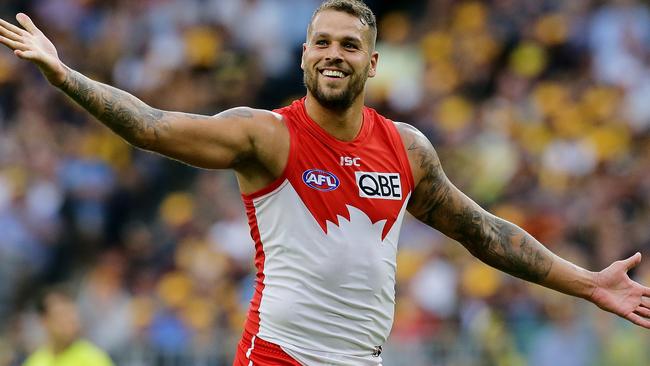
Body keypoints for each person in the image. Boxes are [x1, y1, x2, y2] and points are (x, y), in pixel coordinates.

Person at [1, 0, 649, 364]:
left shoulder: (407, 148)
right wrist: (64, 74)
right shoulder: (265, 135)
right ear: (305, 53)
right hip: (279, 356)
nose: (333, 53)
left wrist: (588, 284)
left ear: (371, 60)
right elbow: (150, 125)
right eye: (321, 42)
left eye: (347, 44)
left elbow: (485, 234)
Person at [22, 286, 114, 366]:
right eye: (61, 315)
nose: (69, 322)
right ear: (44, 321)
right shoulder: (35, 362)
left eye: (71, 314)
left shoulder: (94, 359)